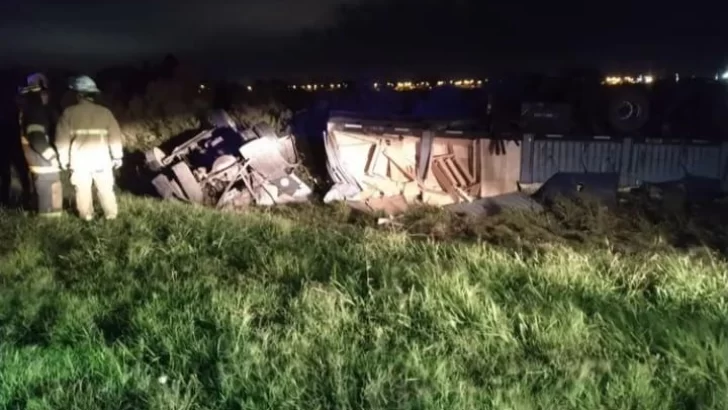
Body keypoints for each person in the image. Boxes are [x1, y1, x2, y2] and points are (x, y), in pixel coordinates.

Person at [55, 75, 124, 221]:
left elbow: (61, 140)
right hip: (102, 160)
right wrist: (117, 156)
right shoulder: (105, 112)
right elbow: (115, 136)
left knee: (82, 191)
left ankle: (86, 217)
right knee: (105, 189)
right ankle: (111, 216)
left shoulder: (68, 113)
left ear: (79, 94)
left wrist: (63, 160)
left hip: (80, 161)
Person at [17, 73, 63, 216]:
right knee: (48, 188)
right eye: (44, 93)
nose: (47, 96)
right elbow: (36, 137)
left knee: (46, 189)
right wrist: (52, 156)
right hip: (42, 160)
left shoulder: (29, 109)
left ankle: (47, 217)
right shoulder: (35, 110)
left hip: (36, 158)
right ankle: (48, 222)